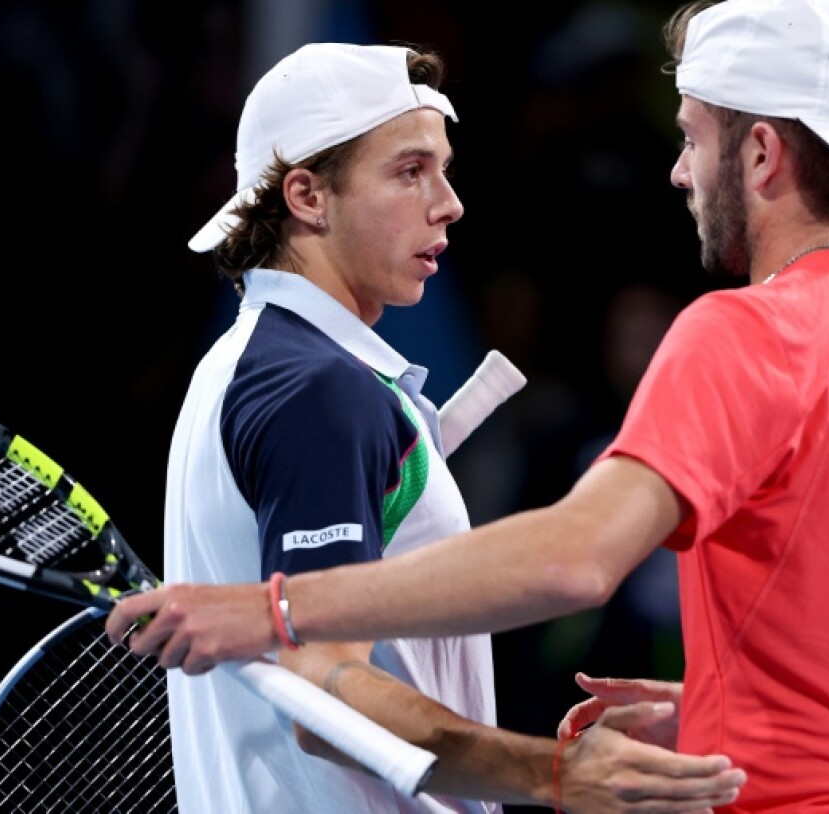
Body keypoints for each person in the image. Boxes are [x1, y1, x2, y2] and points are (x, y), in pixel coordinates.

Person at [110, 3, 829, 811]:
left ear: (761, 153)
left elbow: (575, 557)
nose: (680, 171)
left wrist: (271, 611)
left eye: (692, 138)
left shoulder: (745, 334)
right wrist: (733, 705)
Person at [148, 40, 746, 814]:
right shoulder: (316, 391)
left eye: (444, 167)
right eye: (409, 171)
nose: (449, 202)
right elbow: (321, 697)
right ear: (307, 196)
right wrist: (555, 774)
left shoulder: (246, 366)